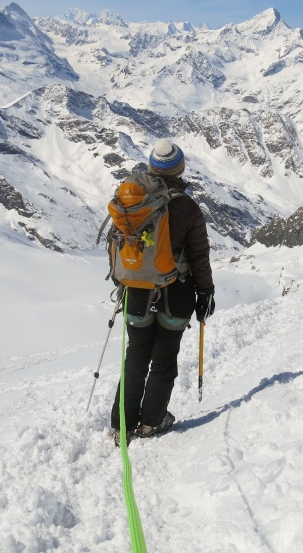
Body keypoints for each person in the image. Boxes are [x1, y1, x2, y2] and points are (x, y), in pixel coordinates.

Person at [110, 139, 215, 443]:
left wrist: (124, 282)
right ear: (180, 169)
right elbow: (199, 256)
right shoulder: (187, 207)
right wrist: (205, 293)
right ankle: (151, 422)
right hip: (176, 295)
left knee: (136, 356)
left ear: (151, 167)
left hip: (136, 293)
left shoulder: (132, 202)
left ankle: (122, 424)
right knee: (164, 359)